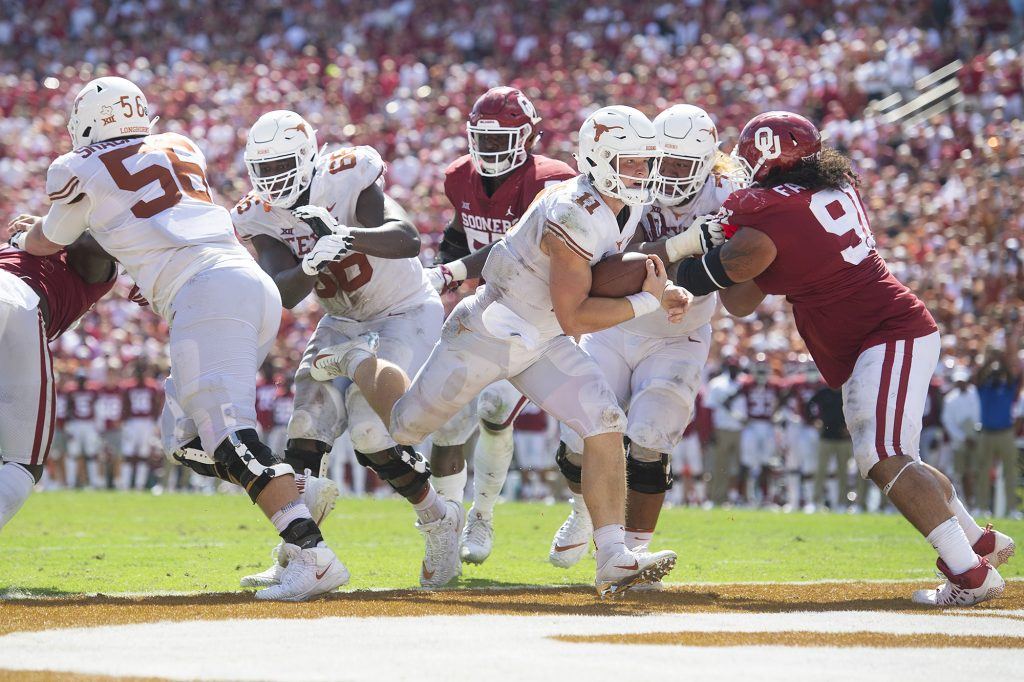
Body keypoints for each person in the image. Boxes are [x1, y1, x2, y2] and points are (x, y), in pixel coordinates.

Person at [311, 105, 689, 595]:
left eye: (646, 161)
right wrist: (645, 301)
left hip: (541, 338)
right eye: (631, 161)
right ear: (597, 159)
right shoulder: (571, 211)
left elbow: (612, 268)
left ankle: (613, 556)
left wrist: (664, 290)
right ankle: (356, 358)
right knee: (405, 427)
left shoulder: (625, 203)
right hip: (488, 331)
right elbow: (576, 314)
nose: (643, 172)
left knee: (606, 422)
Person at [18, 77, 344, 601]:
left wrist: (20, 235)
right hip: (247, 284)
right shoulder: (179, 146)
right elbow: (149, 221)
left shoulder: (77, 167)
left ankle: (313, 555)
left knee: (228, 436)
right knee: (185, 440)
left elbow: (49, 241)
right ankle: (298, 492)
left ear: (85, 123)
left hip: (207, 291)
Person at [675, 110, 1014, 606]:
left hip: (886, 332)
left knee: (883, 455)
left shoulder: (764, 205)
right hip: (874, 333)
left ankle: (970, 574)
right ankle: (980, 542)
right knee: (896, 454)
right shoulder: (825, 189)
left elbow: (737, 296)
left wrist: (690, 256)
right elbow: (742, 300)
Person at [231, 109, 454, 588]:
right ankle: (300, 552)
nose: (272, 179)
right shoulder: (258, 213)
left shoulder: (346, 175)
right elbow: (285, 291)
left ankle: (439, 521)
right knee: (305, 425)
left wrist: (344, 235)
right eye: (263, 169)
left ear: (309, 156)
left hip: (403, 309)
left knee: (372, 435)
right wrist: (311, 263)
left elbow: (408, 238)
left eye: (281, 165)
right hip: (342, 318)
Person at [547, 104, 743, 576]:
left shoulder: (730, 195)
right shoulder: (628, 183)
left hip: (679, 333)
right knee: (581, 434)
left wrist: (683, 275)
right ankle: (583, 511)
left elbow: (736, 272)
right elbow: (610, 268)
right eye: (663, 161)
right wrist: (673, 263)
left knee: (652, 438)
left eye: (682, 165)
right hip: (616, 324)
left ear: (708, 163)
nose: (669, 175)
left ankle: (631, 555)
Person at [424, 86, 576, 566]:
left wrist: (452, 271)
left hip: (532, 316)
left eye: (500, 140)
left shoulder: (551, 181)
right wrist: (444, 266)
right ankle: (444, 527)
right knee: (446, 421)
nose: (489, 150)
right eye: (482, 140)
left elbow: (516, 246)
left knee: (493, 411)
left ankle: (482, 514)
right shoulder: (459, 177)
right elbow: (458, 232)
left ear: (528, 137)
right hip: (480, 309)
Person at [0, 226, 116, 530]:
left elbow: (92, 243)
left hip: (18, 304)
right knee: (23, 461)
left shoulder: (95, 264)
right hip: (18, 302)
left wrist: (44, 228)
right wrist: (48, 228)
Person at [974, 340, 1022, 517]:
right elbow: (978, 376)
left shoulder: (1008, 387)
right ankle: (981, 507)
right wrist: (989, 361)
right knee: (983, 472)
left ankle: (1012, 509)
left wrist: (1001, 360)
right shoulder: (983, 388)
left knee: (1010, 472)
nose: (994, 375)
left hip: (1005, 433)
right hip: (986, 433)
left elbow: (1012, 376)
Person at [705, 358, 745, 506]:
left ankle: (736, 497)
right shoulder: (717, 384)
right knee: (720, 465)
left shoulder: (743, 382)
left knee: (738, 466)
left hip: (741, 429)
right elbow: (709, 409)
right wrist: (711, 431)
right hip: (722, 429)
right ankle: (717, 497)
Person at [808, 385, 853, 510]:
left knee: (843, 472)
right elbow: (810, 404)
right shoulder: (823, 392)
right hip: (826, 437)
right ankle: (815, 501)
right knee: (821, 471)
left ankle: (842, 502)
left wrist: (849, 426)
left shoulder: (847, 392)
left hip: (843, 439)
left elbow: (855, 409)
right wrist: (814, 419)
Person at [941, 366, 981, 505]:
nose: (961, 384)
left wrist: (975, 434)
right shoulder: (950, 399)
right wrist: (964, 438)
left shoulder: (975, 392)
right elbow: (948, 422)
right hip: (960, 440)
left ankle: (976, 502)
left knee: (976, 471)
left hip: (977, 437)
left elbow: (978, 415)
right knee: (962, 473)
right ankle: (968, 502)